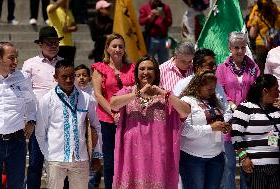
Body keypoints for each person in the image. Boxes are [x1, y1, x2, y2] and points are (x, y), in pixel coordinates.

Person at [110, 55, 190, 189]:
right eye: (142, 69)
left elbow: (185, 111)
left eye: (150, 69)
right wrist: (138, 93)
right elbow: (113, 104)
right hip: (131, 154)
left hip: (158, 154)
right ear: (136, 73)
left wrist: (165, 94)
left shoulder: (165, 97)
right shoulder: (128, 91)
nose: (145, 72)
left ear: (156, 72)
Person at [36, 59, 102, 189]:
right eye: (64, 77)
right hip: (55, 158)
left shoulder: (87, 99)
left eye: (71, 76)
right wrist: (48, 156)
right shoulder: (46, 100)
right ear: (55, 78)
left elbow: (96, 127)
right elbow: (40, 131)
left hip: (80, 157)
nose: (68, 80)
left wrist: (96, 155)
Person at [216, 31, 260, 189]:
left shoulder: (253, 68)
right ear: (230, 48)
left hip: (249, 122)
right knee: (228, 164)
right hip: (229, 120)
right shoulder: (222, 68)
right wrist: (230, 103)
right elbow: (218, 91)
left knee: (247, 162)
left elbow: (258, 89)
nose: (240, 51)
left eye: (243, 47)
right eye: (236, 47)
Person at [91, 33, 135, 189]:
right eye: (114, 46)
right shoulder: (99, 68)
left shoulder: (132, 68)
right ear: (107, 49)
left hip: (130, 120)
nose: (118, 49)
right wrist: (113, 112)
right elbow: (98, 94)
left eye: (121, 46)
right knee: (110, 162)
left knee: (129, 160)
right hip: (108, 120)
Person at [22, 26, 64, 189]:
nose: (53, 45)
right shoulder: (30, 64)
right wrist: (29, 119)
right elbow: (25, 94)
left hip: (59, 121)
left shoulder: (63, 63)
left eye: (55, 42)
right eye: (49, 42)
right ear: (40, 44)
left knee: (61, 164)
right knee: (35, 163)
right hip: (38, 120)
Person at [178, 71, 231, 189]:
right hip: (193, 159)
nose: (212, 92)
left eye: (213, 88)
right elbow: (185, 130)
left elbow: (226, 113)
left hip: (216, 157)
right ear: (198, 86)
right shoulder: (187, 101)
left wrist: (224, 126)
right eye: (209, 89)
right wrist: (210, 128)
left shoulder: (215, 100)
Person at [0, 42, 36, 188]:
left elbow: (32, 101)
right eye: (11, 58)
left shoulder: (23, 77)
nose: (16, 61)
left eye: (16, 57)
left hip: (16, 141)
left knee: (17, 184)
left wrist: (32, 120)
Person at [231, 74, 280, 189]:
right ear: (265, 91)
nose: (278, 92)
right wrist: (243, 158)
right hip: (255, 166)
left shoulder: (276, 109)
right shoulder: (246, 107)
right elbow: (236, 135)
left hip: (275, 167)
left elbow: (274, 135)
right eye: (276, 89)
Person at [74, 64, 103, 189]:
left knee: (90, 175)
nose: (81, 78)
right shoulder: (71, 94)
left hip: (91, 138)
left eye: (84, 75)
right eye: (78, 75)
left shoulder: (94, 95)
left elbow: (96, 123)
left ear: (90, 79)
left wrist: (97, 151)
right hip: (76, 138)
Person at [248, 0, 280, 73]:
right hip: (275, 46)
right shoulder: (277, 16)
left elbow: (252, 35)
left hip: (262, 47)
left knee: (263, 71)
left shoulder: (257, 18)